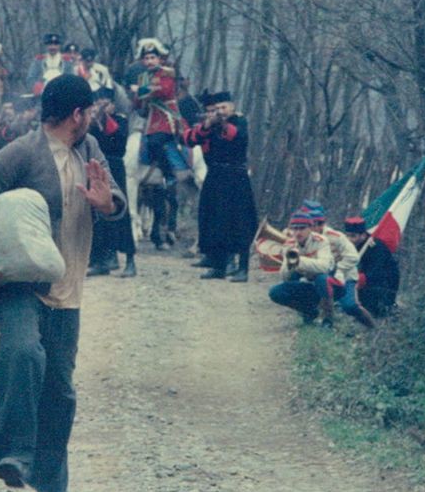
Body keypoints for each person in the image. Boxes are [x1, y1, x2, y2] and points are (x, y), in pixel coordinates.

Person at [0, 74, 127, 492]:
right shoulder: (24, 151)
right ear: (78, 115)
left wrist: (107, 204)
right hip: (16, 281)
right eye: (89, 113)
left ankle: (52, 482)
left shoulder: (89, 150)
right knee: (25, 353)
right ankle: (12, 454)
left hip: (68, 284)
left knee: (60, 389)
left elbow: (115, 201)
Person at [182, 90, 257, 282]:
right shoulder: (209, 125)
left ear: (232, 107)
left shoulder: (239, 121)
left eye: (224, 107)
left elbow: (235, 136)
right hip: (214, 176)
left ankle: (242, 268)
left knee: (239, 223)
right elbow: (189, 140)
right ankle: (218, 265)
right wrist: (207, 124)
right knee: (213, 222)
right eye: (217, 109)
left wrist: (220, 122)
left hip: (235, 177)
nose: (221, 111)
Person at [129, 39, 189, 249]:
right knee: (143, 141)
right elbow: (138, 103)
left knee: (157, 142)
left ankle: (169, 174)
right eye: (146, 57)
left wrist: (143, 89)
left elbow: (162, 92)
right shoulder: (145, 76)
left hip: (167, 120)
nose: (149, 60)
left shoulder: (167, 72)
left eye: (152, 57)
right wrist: (139, 93)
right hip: (151, 119)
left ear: (159, 58)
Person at [87, 88, 137, 277]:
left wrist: (104, 118)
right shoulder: (90, 122)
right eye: (98, 102)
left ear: (113, 105)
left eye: (105, 102)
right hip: (96, 167)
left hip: (115, 168)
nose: (101, 106)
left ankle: (130, 260)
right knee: (97, 215)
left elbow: (118, 137)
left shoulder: (121, 120)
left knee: (120, 211)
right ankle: (101, 260)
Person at [299, 200, 359, 327]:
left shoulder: (335, 236)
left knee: (349, 305)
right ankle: (308, 311)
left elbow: (353, 257)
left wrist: (338, 268)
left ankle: (329, 319)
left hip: (343, 276)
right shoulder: (305, 238)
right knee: (296, 279)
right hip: (318, 274)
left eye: (316, 224)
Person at [268, 212, 335, 323]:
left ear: (310, 228)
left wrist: (298, 260)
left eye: (302, 228)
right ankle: (308, 311)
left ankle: (328, 318)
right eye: (295, 229)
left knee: (322, 278)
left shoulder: (321, 241)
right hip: (306, 283)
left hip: (326, 284)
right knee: (275, 292)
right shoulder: (290, 244)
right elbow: (285, 277)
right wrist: (288, 263)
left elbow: (324, 267)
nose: (298, 233)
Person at [342, 216, 400, 320]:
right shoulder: (349, 246)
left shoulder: (376, 248)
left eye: (353, 236)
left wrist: (355, 279)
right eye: (347, 236)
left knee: (374, 312)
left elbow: (375, 274)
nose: (349, 240)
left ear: (363, 235)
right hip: (362, 284)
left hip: (381, 286)